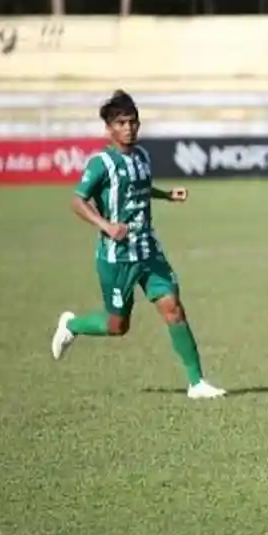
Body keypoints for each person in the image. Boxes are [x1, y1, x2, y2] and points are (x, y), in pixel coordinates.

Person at [50, 90, 226, 400]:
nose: (128, 127)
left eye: (132, 121)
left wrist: (167, 195)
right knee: (118, 326)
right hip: (117, 257)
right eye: (121, 122)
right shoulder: (101, 163)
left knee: (173, 308)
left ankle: (197, 382)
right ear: (109, 129)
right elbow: (77, 201)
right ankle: (73, 325)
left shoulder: (143, 156)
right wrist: (106, 226)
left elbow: (139, 189)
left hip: (149, 250)